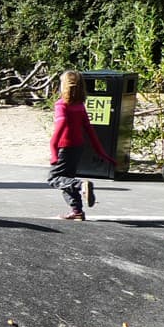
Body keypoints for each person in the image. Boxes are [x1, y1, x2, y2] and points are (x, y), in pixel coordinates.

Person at [49, 70, 114, 221]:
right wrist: (102, 152)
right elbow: (89, 129)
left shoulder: (61, 105)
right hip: (78, 146)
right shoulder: (80, 106)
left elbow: (61, 126)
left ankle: (81, 185)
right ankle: (77, 210)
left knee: (54, 178)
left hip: (64, 147)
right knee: (67, 178)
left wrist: (53, 151)